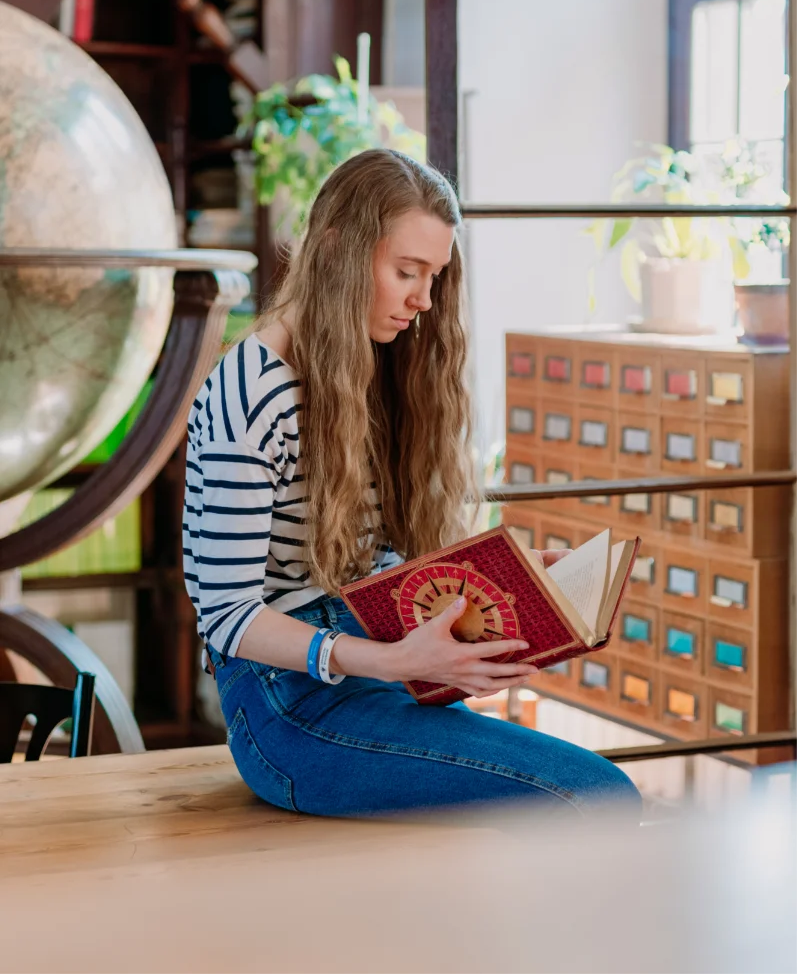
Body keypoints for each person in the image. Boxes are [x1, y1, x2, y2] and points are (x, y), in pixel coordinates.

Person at [183, 149, 641, 818]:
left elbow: (375, 567)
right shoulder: (250, 389)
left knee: (582, 795)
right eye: (406, 271)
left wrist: (503, 584)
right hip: (286, 706)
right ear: (337, 249)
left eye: (433, 277)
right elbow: (225, 613)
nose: (423, 300)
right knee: (595, 795)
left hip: (376, 672)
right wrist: (390, 661)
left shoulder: (373, 365)